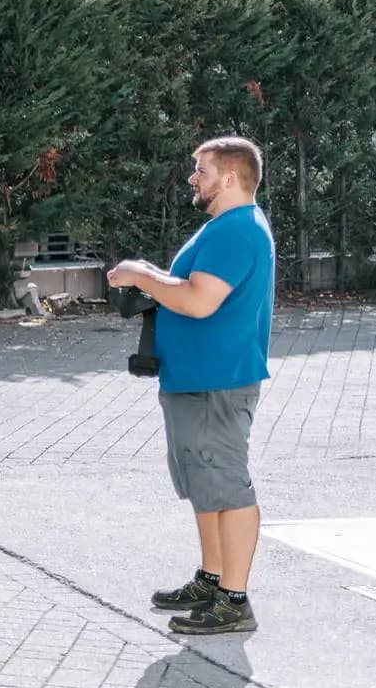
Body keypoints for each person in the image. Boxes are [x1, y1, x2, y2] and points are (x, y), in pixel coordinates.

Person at [106, 136, 275, 636]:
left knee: (226, 484)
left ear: (229, 178)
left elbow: (200, 301)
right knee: (204, 483)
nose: (192, 178)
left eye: (200, 171)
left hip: (217, 382)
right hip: (198, 380)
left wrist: (141, 275)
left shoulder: (236, 231)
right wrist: (147, 275)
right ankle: (212, 578)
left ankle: (234, 600)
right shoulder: (225, 228)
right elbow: (188, 287)